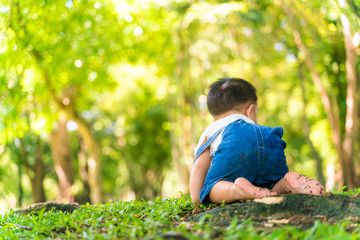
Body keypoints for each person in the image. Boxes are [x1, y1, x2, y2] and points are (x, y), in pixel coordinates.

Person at [189, 77, 324, 205]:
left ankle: (237, 190)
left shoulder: (212, 129)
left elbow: (200, 166)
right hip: (271, 136)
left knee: (212, 187)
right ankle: (285, 183)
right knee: (271, 187)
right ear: (251, 110)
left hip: (234, 138)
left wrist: (196, 198)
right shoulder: (256, 127)